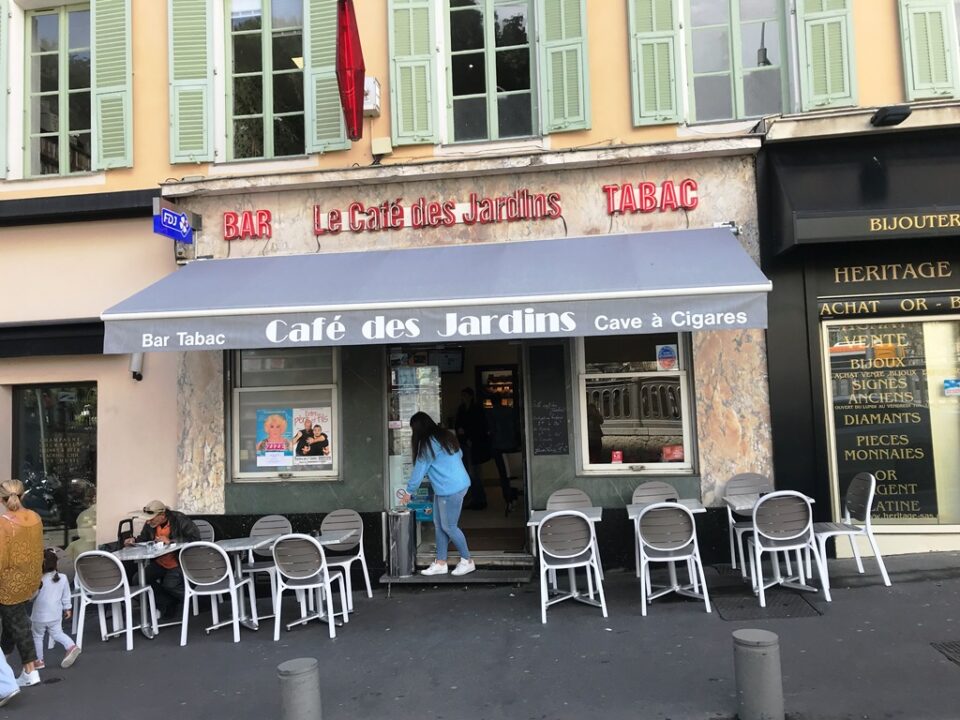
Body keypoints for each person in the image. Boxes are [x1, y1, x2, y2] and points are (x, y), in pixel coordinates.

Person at [400, 412, 475, 577]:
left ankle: (467, 561)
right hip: (454, 485)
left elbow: (419, 471)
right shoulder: (446, 435)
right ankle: (441, 563)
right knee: (440, 524)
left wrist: (408, 492)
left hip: (450, 489)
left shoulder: (427, 444)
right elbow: (459, 455)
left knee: (449, 526)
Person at [123, 500, 200, 619]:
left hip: (179, 561)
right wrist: (133, 542)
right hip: (160, 561)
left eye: (151, 518)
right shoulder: (151, 524)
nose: (148, 521)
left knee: (170, 584)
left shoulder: (180, 519)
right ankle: (168, 602)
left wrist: (172, 542)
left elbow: (195, 539)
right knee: (138, 579)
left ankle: (199, 601)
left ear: (162, 516)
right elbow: (144, 539)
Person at [0, 479, 43, 687]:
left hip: (8, 584)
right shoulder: (35, 517)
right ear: (24, 496)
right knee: (12, 624)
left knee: (19, 626)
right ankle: (5, 665)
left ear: (1, 500)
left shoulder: (4, 523)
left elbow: (1, 559)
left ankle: (30, 670)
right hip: (31, 581)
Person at [31, 549, 80, 670]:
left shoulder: (37, 580)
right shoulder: (63, 578)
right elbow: (66, 596)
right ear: (56, 564)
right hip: (55, 614)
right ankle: (71, 646)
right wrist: (68, 608)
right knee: (57, 633)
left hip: (39, 616)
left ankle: (39, 660)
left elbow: (31, 597)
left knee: (37, 636)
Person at [455, 388, 491, 510]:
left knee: (474, 472)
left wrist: (469, 436)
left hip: (474, 445)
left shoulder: (476, 409)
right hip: (465, 443)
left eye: (465, 395)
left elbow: (480, 427)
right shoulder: (461, 409)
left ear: (470, 396)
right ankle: (474, 499)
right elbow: (458, 424)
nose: (463, 398)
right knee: (469, 473)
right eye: (462, 395)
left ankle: (479, 499)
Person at [486, 395, 520, 514]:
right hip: (512, 446)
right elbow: (516, 427)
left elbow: (491, 430)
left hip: (498, 447)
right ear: (502, 401)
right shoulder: (511, 411)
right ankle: (515, 497)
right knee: (514, 473)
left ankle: (508, 500)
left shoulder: (491, 413)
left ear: (492, 402)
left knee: (503, 474)